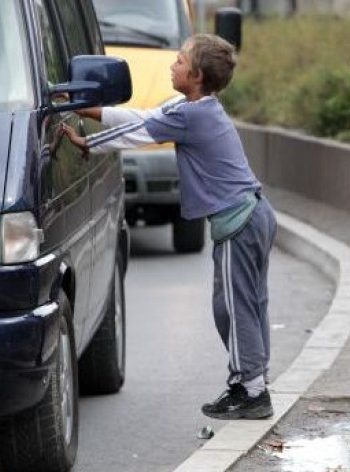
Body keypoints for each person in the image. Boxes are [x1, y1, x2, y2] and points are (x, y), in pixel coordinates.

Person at [60, 34, 277, 421]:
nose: (171, 66)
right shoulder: (194, 107)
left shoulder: (191, 115)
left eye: (179, 61)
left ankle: (251, 390)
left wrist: (87, 144)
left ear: (195, 75)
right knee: (245, 304)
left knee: (233, 307)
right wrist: (91, 111)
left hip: (240, 223)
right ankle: (251, 382)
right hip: (252, 216)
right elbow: (144, 119)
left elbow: (138, 134)